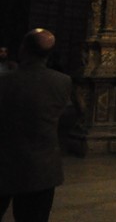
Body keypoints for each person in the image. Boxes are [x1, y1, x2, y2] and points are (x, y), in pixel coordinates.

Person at [0, 29, 74, 222]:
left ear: (23, 49)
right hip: (42, 168)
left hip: (5, 162)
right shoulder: (63, 82)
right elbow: (68, 116)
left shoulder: (5, 82)